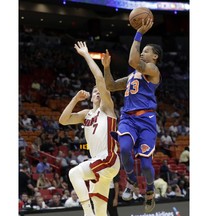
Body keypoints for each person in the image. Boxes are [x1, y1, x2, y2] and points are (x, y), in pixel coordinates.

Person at [103, 18, 162, 213]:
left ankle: (150, 190)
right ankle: (130, 180)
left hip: (146, 121)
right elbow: (110, 86)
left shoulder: (153, 70)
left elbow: (132, 61)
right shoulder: (130, 77)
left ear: (155, 57)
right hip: (128, 118)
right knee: (125, 148)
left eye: (146, 51)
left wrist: (139, 33)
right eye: (142, 49)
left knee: (146, 164)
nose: (143, 52)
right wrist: (106, 67)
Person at [59, 41, 120, 216]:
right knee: (100, 209)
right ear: (91, 96)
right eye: (95, 91)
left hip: (108, 158)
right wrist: (75, 100)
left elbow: (100, 80)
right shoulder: (86, 114)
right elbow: (63, 120)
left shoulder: (107, 108)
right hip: (99, 163)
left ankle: (87, 213)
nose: (98, 92)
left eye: (100, 91)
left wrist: (86, 55)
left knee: (74, 173)